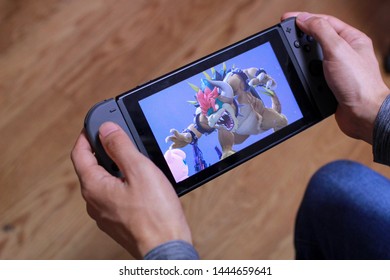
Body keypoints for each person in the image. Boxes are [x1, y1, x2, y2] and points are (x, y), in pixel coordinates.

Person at [71, 12, 390, 259]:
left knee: (331, 179)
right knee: (335, 183)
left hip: (261, 117)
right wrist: (374, 110)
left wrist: (160, 243)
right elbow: (198, 128)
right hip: (241, 131)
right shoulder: (209, 117)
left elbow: (248, 75)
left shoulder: (238, 85)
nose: (213, 113)